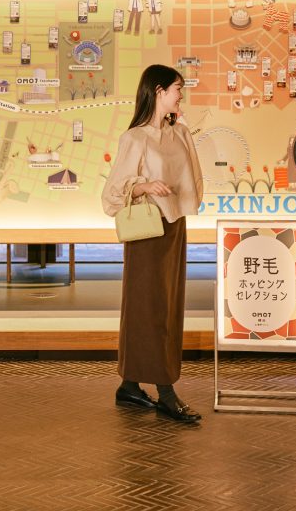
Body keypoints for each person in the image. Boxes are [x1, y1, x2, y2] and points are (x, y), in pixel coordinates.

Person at [101, 64, 204, 423]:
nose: (181, 95)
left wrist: (181, 126)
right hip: (147, 232)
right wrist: (143, 186)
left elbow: (193, 178)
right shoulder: (135, 138)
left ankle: (129, 386)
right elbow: (112, 195)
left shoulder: (180, 133)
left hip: (174, 227)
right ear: (159, 91)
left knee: (167, 307)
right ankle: (166, 392)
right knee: (149, 309)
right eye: (177, 88)